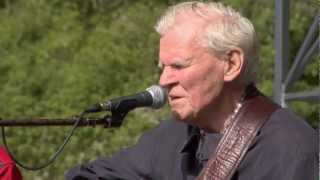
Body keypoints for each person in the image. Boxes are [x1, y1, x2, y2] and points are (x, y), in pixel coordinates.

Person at [66, 1, 318, 180]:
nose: (164, 80)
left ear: (231, 64)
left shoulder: (289, 149)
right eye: (162, 67)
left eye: (178, 65)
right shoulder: (169, 137)